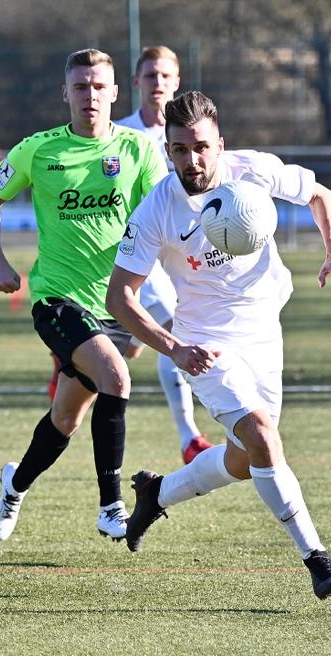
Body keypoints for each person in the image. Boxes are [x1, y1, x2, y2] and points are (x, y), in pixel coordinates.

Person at [106, 90, 331, 600]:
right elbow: (120, 297)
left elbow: (321, 196)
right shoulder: (157, 208)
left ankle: (156, 493)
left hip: (265, 330)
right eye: (179, 149)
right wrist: (173, 348)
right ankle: (316, 557)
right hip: (205, 343)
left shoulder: (254, 172)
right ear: (167, 148)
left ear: (219, 144)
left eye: (200, 147)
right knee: (264, 438)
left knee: (245, 460)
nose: (191, 160)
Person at [0, 48, 167, 543]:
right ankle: (112, 507)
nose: (90, 96)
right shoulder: (37, 151)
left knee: (66, 417)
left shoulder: (139, 150)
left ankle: (14, 487)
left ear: (115, 93)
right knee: (116, 377)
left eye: (99, 87)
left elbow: (162, 214)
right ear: (65, 93)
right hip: (56, 299)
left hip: (119, 304)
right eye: (80, 87)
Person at [115, 45, 212, 465]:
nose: (158, 84)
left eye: (166, 76)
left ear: (177, 82)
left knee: (136, 342)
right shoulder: (118, 134)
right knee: (177, 332)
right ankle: (189, 437)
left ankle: (74, 364)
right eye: (150, 76)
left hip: (181, 255)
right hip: (141, 255)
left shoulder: (191, 137)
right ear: (136, 82)